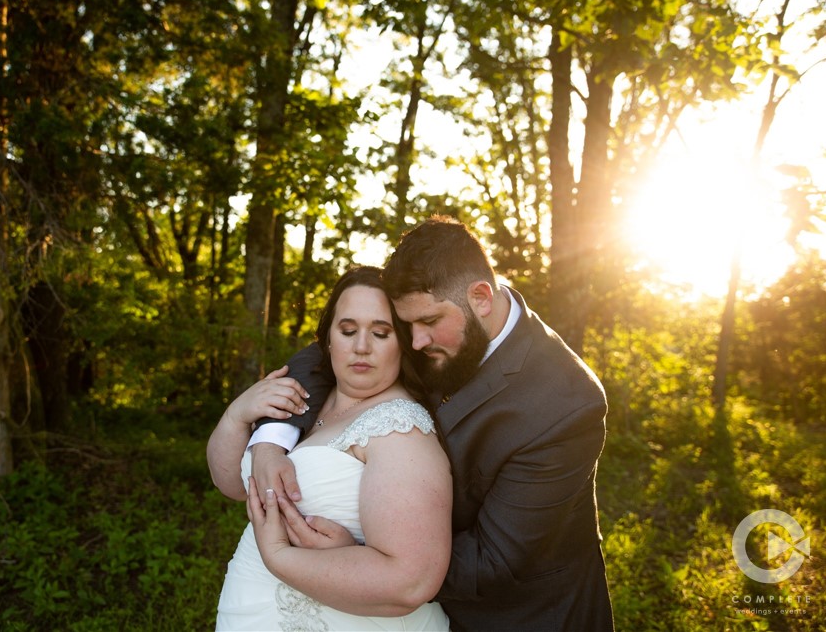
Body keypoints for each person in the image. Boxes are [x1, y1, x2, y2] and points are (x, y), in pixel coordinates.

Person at [249, 216, 614, 631]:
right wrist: (270, 439)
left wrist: (362, 553)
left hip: (522, 615)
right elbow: (323, 353)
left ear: (480, 298)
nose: (415, 342)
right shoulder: (434, 314)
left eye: (427, 323)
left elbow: (492, 561)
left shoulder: (565, 405)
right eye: (405, 326)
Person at [207, 265, 452, 631]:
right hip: (247, 605)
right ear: (328, 339)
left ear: (403, 343)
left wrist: (278, 557)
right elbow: (232, 486)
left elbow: (409, 582)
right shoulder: (301, 399)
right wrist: (236, 414)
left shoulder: (400, 429)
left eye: (381, 333)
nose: (361, 347)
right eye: (348, 330)